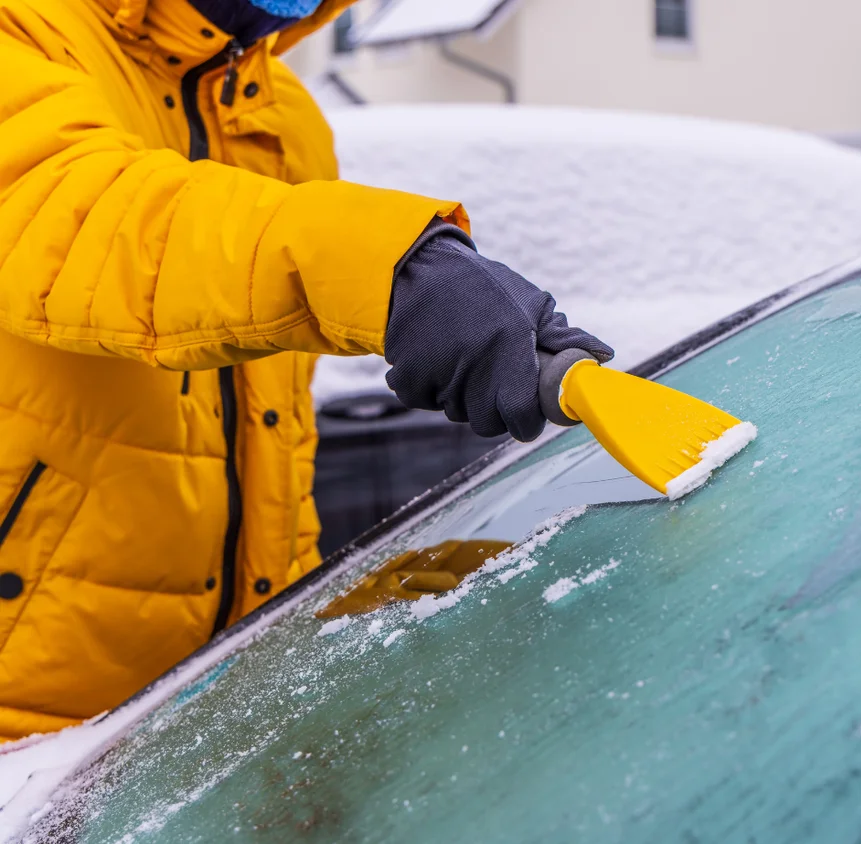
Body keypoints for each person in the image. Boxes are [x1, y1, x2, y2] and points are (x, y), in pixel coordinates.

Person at [0, 0, 611, 742]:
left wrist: (304, 618)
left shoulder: (285, 118)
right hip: (26, 734)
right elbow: (88, 214)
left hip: (190, 722)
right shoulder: (23, 30)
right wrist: (390, 274)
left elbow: (267, 432)